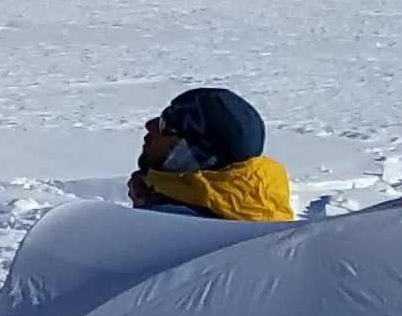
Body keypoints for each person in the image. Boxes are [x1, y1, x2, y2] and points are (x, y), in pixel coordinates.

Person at [125, 86, 292, 220]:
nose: (150, 125)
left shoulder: (176, 227)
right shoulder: (264, 215)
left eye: (166, 124)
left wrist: (146, 216)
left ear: (190, 152)